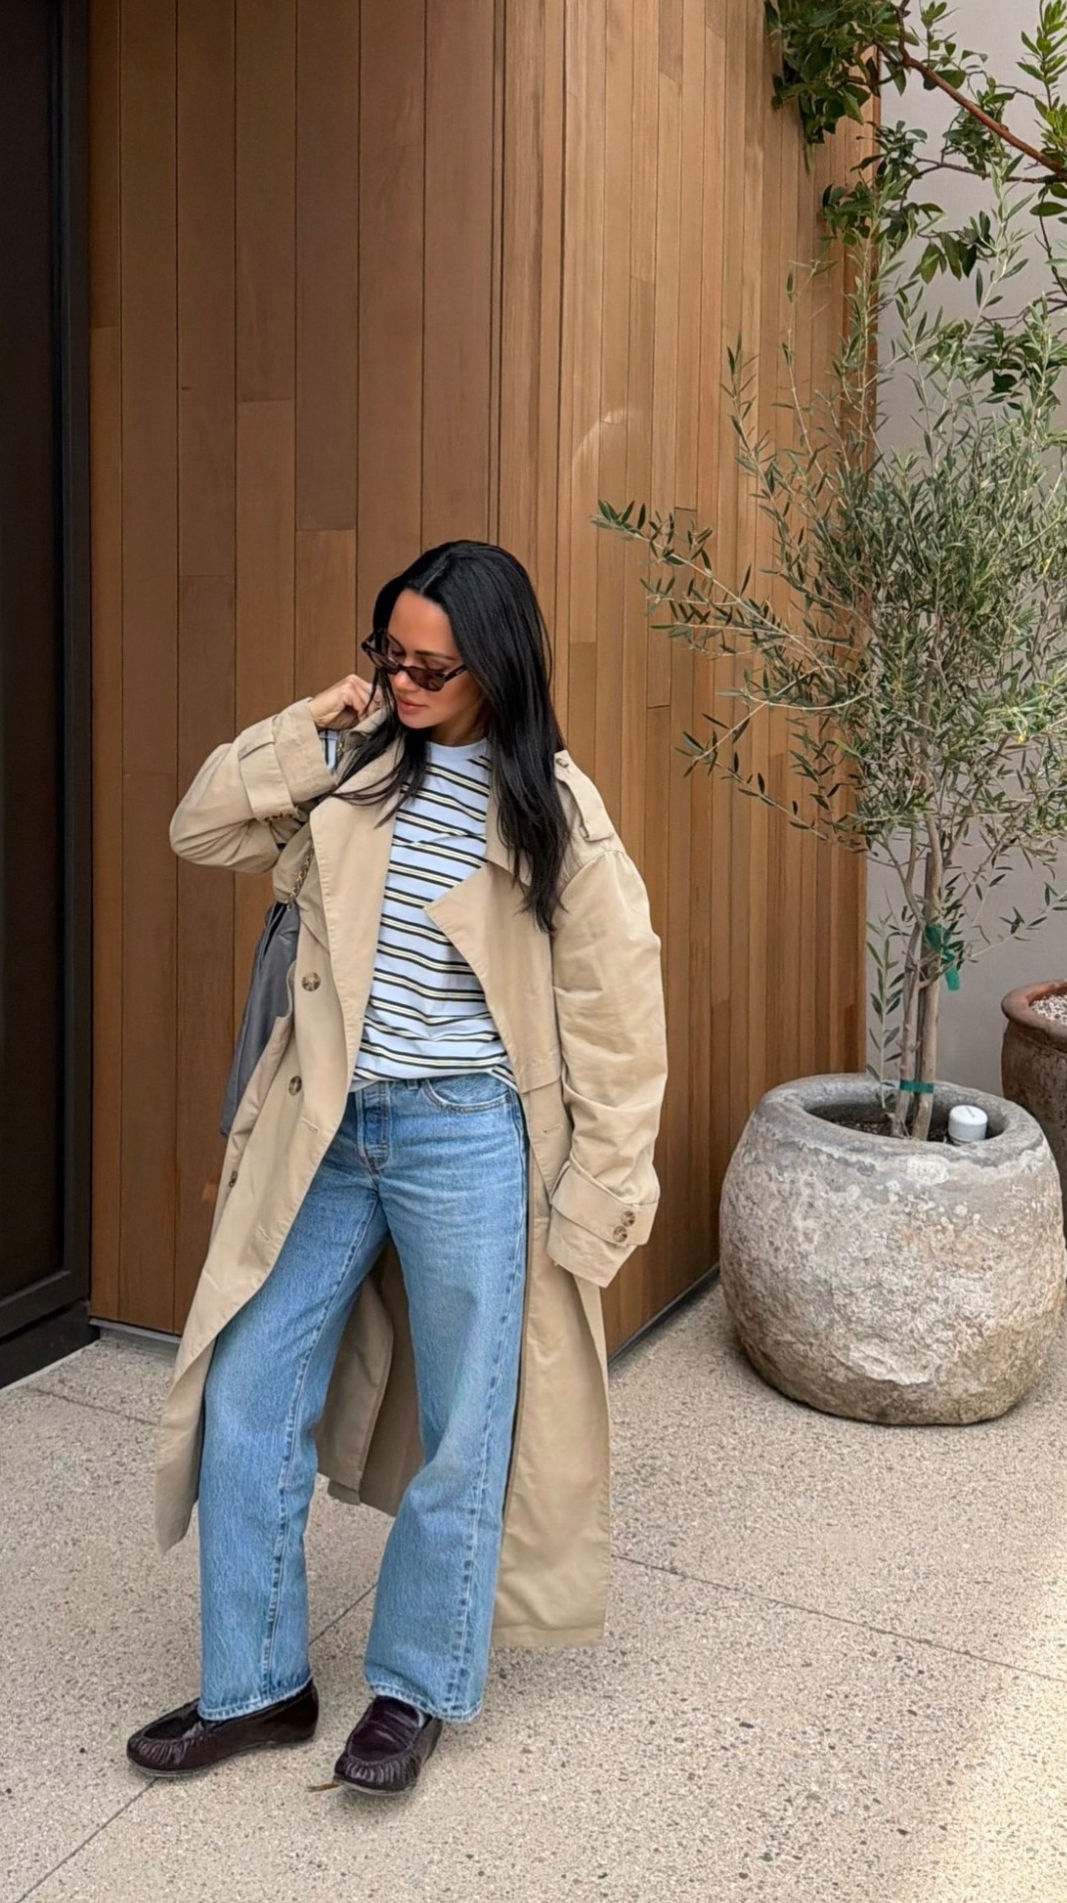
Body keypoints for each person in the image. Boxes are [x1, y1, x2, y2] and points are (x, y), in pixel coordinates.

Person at [128, 539, 667, 1797]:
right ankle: (258, 1683)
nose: (408, 679)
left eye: (436, 663)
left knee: (467, 1422)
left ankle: (416, 1685)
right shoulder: (355, 762)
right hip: (329, 1124)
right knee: (249, 1386)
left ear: (496, 666)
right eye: (392, 652)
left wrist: (597, 1200)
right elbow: (197, 824)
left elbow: (617, 1017)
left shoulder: (555, 810)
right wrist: (306, 722)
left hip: (465, 1133)